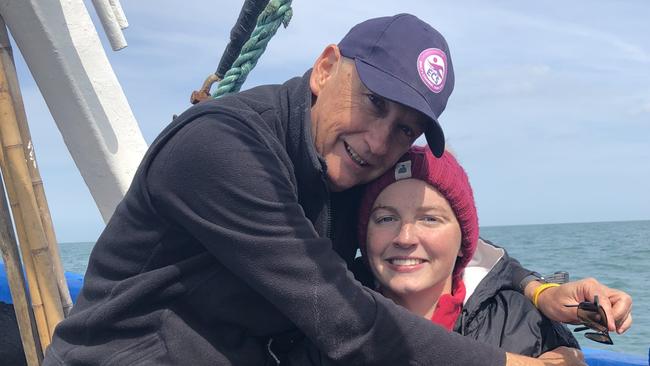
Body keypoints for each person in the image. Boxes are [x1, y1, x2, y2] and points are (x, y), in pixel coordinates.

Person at [43, 14, 631, 366]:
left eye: (405, 128)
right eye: (373, 102)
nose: (379, 142)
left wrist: (538, 290)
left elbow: (443, 228)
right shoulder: (222, 148)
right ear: (326, 68)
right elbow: (341, 316)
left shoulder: (349, 162)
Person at [356, 145, 580, 356]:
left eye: (430, 219)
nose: (405, 238)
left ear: (464, 241)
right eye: (386, 218)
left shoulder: (525, 322)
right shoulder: (333, 319)